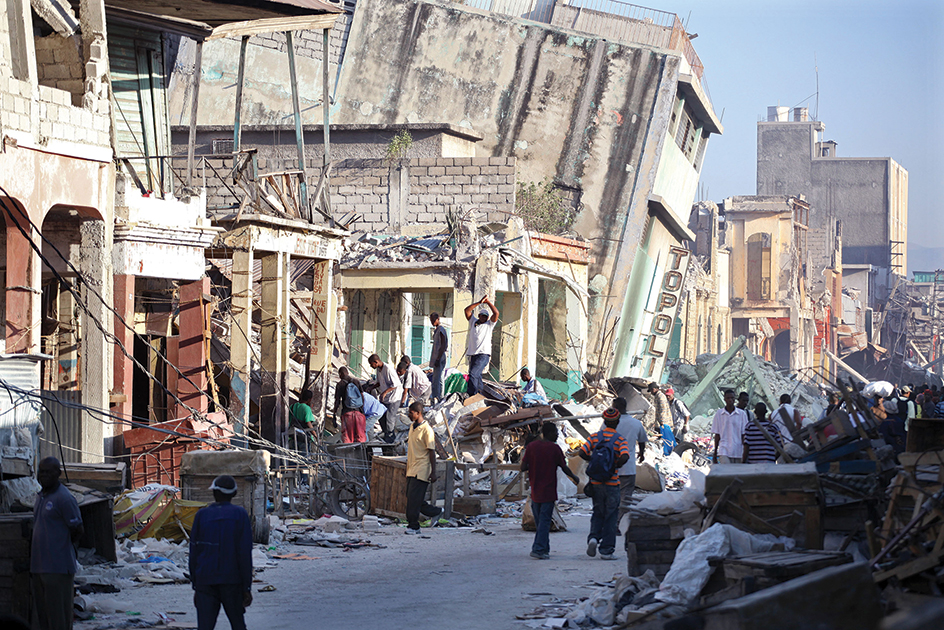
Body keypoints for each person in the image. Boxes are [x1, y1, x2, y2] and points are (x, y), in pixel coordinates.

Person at [190, 475, 253, 630]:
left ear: (214, 493)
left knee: (205, 627)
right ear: (234, 494)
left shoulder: (201, 516)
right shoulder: (240, 515)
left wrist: (196, 585)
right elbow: (244, 554)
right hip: (232, 581)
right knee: (238, 625)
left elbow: (194, 552)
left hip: (205, 580)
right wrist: (246, 587)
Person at [31, 457, 83, 630]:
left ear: (58, 474)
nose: (44, 475)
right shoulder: (40, 496)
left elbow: (77, 530)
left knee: (58, 619)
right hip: (39, 567)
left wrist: (60, 549)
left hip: (58, 569)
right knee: (43, 619)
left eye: (48, 471)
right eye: (41, 471)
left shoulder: (64, 498)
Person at [520, 422, 579, 559]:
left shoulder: (532, 447)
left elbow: (522, 467)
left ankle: (544, 548)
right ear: (549, 433)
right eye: (556, 433)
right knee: (545, 522)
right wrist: (574, 477)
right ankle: (539, 549)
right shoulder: (554, 449)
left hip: (535, 491)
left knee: (541, 521)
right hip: (548, 491)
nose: (557, 435)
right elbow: (564, 467)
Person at [578, 408, 630, 561]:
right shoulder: (620, 440)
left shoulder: (595, 437)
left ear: (604, 421)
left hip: (595, 483)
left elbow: (582, 452)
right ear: (617, 422)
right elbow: (625, 457)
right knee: (611, 515)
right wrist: (613, 466)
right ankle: (607, 550)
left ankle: (593, 538)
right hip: (612, 483)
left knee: (597, 512)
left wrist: (593, 461)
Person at [404, 401, 442, 534]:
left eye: (411, 413)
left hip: (422, 468)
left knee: (414, 499)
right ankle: (436, 512)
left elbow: (432, 452)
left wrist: (433, 472)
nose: (409, 415)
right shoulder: (412, 426)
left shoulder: (427, 430)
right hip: (412, 467)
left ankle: (414, 526)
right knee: (413, 497)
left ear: (418, 413)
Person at [613, 397, 647, 535]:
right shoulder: (636, 423)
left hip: (611, 467)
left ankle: (609, 522)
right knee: (625, 498)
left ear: (615, 407)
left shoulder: (609, 423)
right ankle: (616, 522)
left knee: (611, 497)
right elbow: (643, 441)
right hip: (628, 467)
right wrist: (642, 453)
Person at [463, 295, 499, 396]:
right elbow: (467, 310)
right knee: (477, 375)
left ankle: (472, 395)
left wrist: (488, 302)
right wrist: (479, 302)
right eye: (482, 315)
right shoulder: (473, 322)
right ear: (479, 316)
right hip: (473, 354)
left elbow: (496, 313)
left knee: (473, 374)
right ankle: (480, 394)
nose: (483, 317)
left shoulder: (489, 325)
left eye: (485, 316)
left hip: (483, 354)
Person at [368, 354, 402, 443]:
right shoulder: (379, 370)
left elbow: (395, 384)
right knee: (381, 416)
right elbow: (379, 382)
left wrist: (385, 392)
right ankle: (385, 434)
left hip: (394, 397)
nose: (371, 366)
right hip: (385, 398)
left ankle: (390, 440)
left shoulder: (388, 369)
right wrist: (371, 388)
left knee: (389, 419)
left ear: (376, 362)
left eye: (372, 364)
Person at [711, 389, 748, 464]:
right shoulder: (719, 414)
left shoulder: (741, 414)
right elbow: (717, 434)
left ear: (735, 399)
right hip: (724, 450)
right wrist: (715, 453)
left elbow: (744, 434)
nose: (730, 400)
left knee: (737, 474)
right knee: (726, 473)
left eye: (732, 398)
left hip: (738, 451)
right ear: (724, 399)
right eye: (728, 398)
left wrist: (745, 452)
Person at [333, 367, 367, 443]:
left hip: (347, 414)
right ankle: (360, 453)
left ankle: (348, 453)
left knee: (347, 437)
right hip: (359, 414)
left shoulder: (340, 384)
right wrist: (361, 409)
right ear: (347, 373)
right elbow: (362, 396)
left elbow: (337, 401)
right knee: (360, 436)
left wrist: (334, 413)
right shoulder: (356, 381)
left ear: (340, 374)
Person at [429, 312, 449, 402]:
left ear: (438, 319)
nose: (432, 322)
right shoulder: (437, 329)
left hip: (440, 357)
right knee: (439, 378)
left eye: (434, 320)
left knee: (437, 379)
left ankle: (437, 397)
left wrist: (438, 358)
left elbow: (443, 345)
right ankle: (439, 397)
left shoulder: (441, 329)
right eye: (431, 320)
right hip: (438, 357)